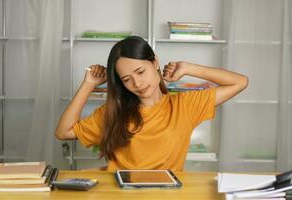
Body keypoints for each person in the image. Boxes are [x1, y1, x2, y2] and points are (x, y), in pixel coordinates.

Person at [55, 36, 248, 172]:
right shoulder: (113, 112)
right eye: (127, 79)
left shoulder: (185, 105)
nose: (137, 84)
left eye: (140, 72)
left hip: (168, 194)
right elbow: (63, 132)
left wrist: (188, 67)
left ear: (155, 62)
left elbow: (240, 82)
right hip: (120, 194)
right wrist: (88, 84)